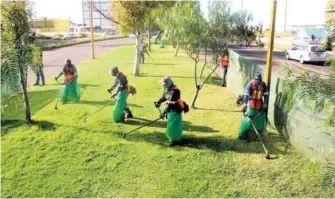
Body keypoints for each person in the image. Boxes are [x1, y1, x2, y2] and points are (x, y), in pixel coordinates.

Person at [154, 76, 189, 146]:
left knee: (174, 126)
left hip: (176, 110)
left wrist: (163, 113)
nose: (162, 85)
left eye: (163, 84)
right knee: (171, 125)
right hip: (171, 110)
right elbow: (165, 97)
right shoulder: (168, 88)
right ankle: (174, 139)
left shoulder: (175, 91)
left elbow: (170, 104)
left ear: (168, 83)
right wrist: (158, 102)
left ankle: (175, 141)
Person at [238, 72, 269, 141]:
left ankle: (259, 135)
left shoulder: (263, 85)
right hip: (251, 105)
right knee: (248, 120)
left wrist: (265, 104)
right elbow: (246, 95)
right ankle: (243, 135)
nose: (258, 83)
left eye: (259, 81)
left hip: (260, 106)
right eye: (257, 81)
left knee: (260, 121)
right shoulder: (250, 85)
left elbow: (266, 96)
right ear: (254, 79)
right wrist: (245, 105)